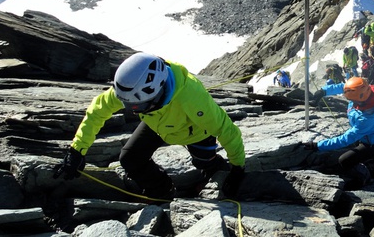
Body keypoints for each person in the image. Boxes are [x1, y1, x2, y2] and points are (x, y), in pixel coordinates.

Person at [53, 52, 246, 200]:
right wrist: (77, 150)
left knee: (204, 162)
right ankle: (162, 191)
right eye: (129, 106)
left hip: (194, 132)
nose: (134, 112)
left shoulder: (192, 98)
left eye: (138, 107)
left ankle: (217, 171)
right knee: (130, 158)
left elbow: (225, 130)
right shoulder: (131, 90)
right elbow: (98, 110)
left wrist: (238, 168)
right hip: (158, 122)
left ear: (158, 92)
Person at [304, 77, 374, 188]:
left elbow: (345, 139)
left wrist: (318, 145)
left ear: (359, 99)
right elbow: (345, 88)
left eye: (351, 100)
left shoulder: (367, 119)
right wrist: (324, 91)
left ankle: (364, 179)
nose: (349, 100)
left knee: (345, 160)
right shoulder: (369, 91)